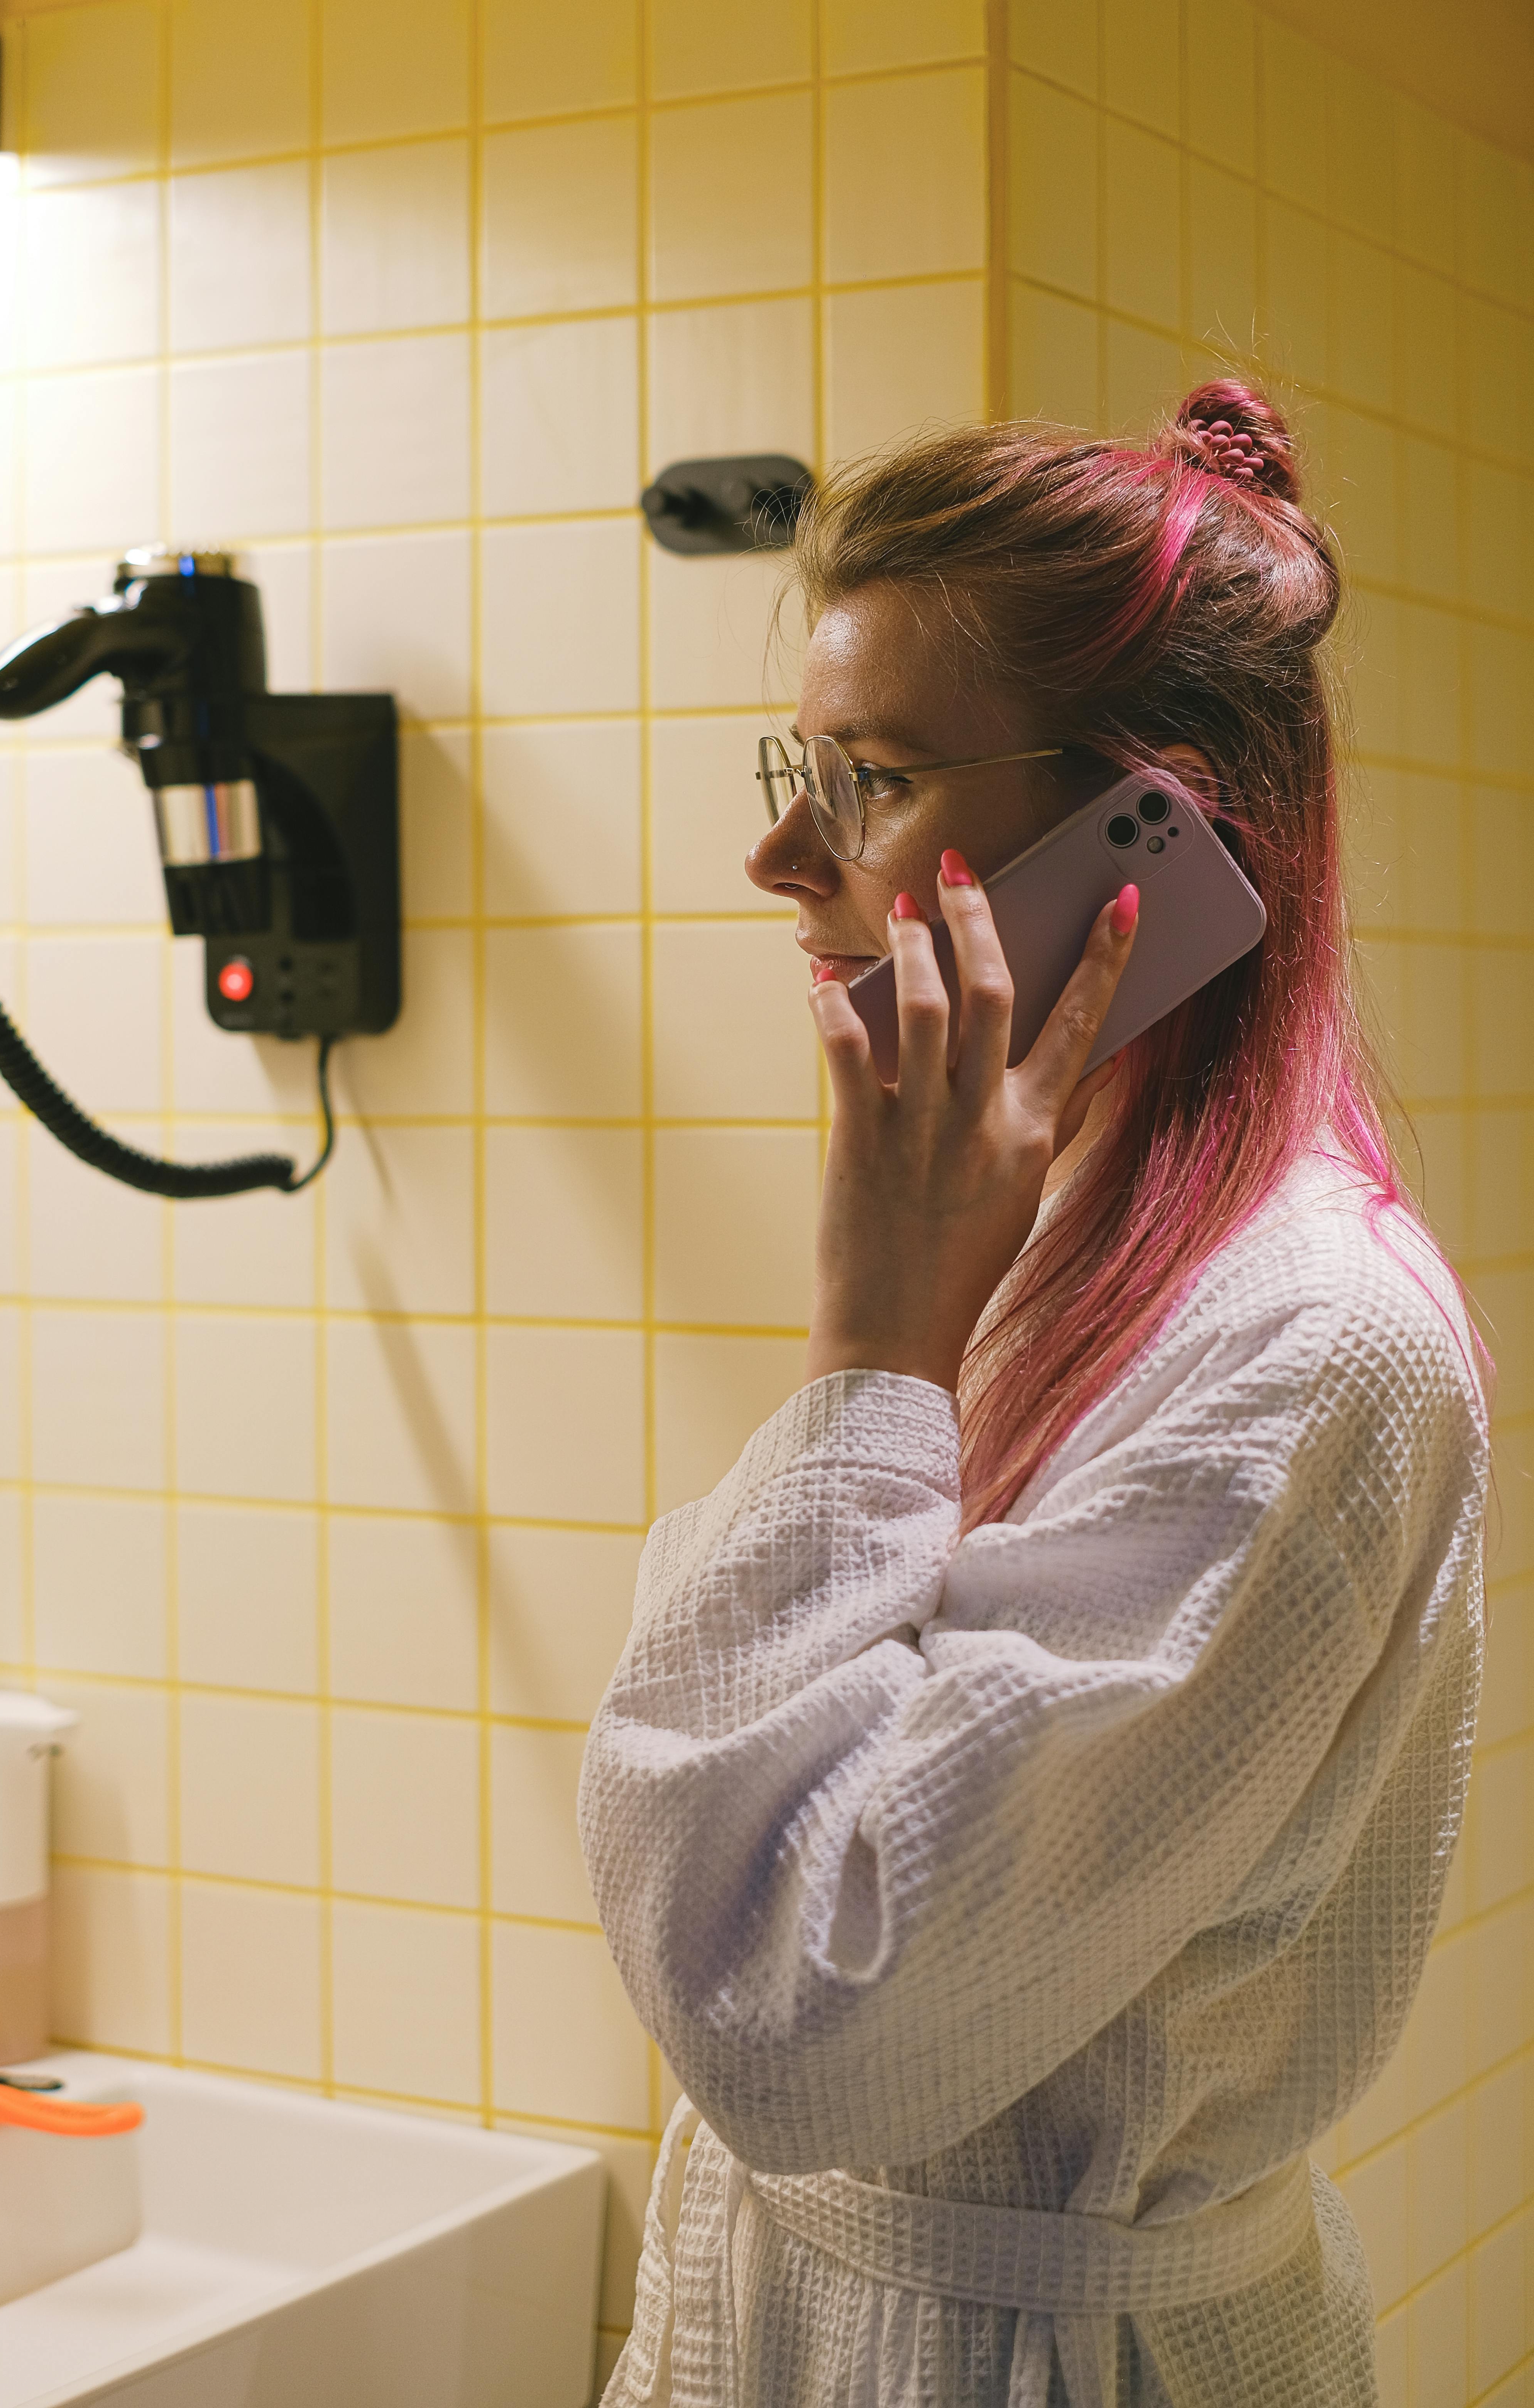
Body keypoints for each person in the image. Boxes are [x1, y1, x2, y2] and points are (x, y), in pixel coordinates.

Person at [577, 383, 1489, 2407]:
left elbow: (791, 2016)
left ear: (1146, 834)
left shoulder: (1305, 1342)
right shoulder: (1047, 1232)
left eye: (873, 777)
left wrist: (869, 1354)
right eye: (795, 764)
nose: (775, 853)